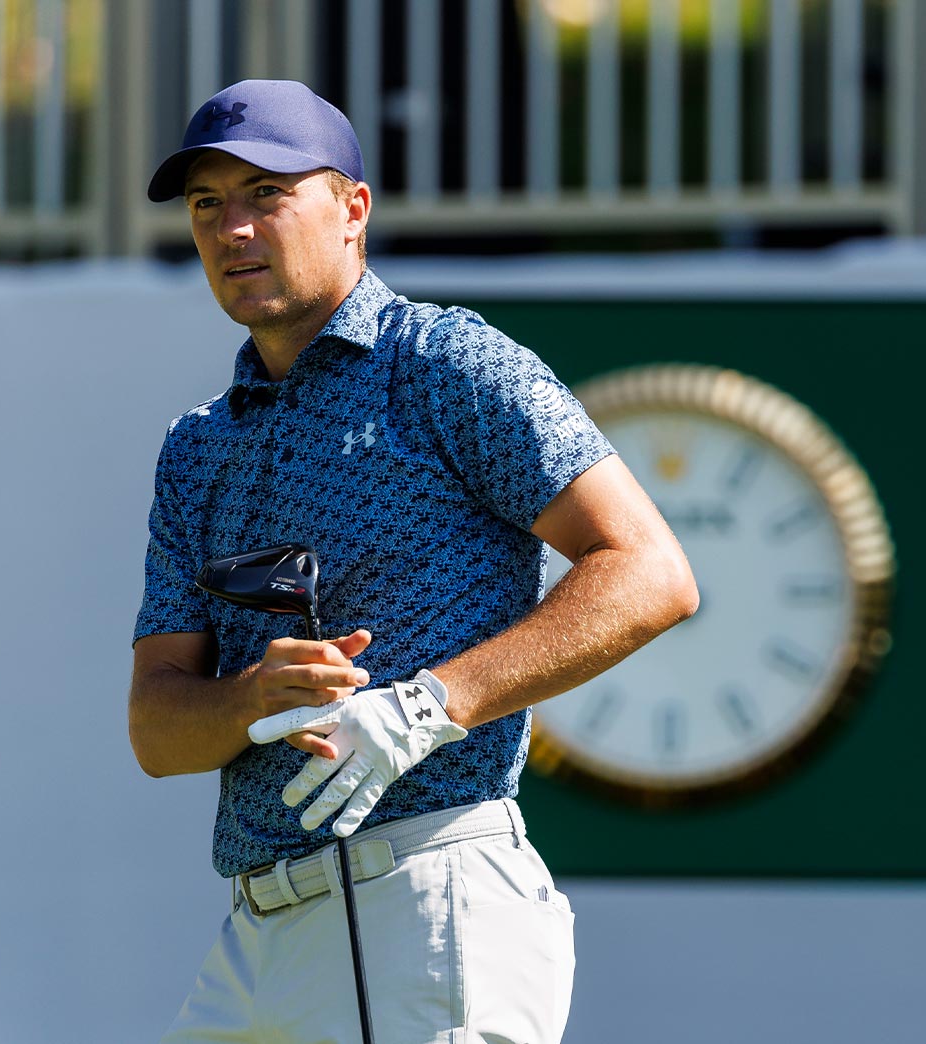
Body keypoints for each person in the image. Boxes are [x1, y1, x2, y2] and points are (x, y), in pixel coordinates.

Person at [127, 79, 698, 1044]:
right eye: (207, 203)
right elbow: (156, 730)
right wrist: (249, 699)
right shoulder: (198, 446)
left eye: (267, 193)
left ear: (353, 209)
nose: (233, 228)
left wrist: (427, 707)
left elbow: (650, 571)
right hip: (257, 936)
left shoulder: (446, 363)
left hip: (423, 904)